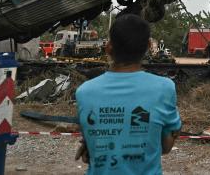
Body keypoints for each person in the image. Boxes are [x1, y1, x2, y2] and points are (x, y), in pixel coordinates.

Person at [75, 14, 181, 175]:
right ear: (147, 47)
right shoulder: (164, 88)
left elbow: (88, 153)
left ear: (108, 47)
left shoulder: (84, 92)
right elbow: (165, 148)